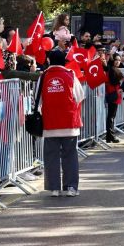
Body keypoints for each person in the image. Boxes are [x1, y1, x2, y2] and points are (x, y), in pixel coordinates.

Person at [40, 53, 85, 197]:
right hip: (69, 123)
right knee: (70, 156)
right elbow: (80, 96)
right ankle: (71, 187)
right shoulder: (71, 75)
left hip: (50, 123)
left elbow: (38, 100)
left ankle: (54, 188)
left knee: (51, 156)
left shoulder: (43, 76)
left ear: (49, 60)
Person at [105, 55, 124, 143]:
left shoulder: (114, 69)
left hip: (115, 94)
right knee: (111, 117)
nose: (118, 61)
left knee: (111, 116)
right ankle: (110, 136)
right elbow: (113, 81)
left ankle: (110, 136)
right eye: (116, 60)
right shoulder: (111, 70)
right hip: (113, 94)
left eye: (119, 60)